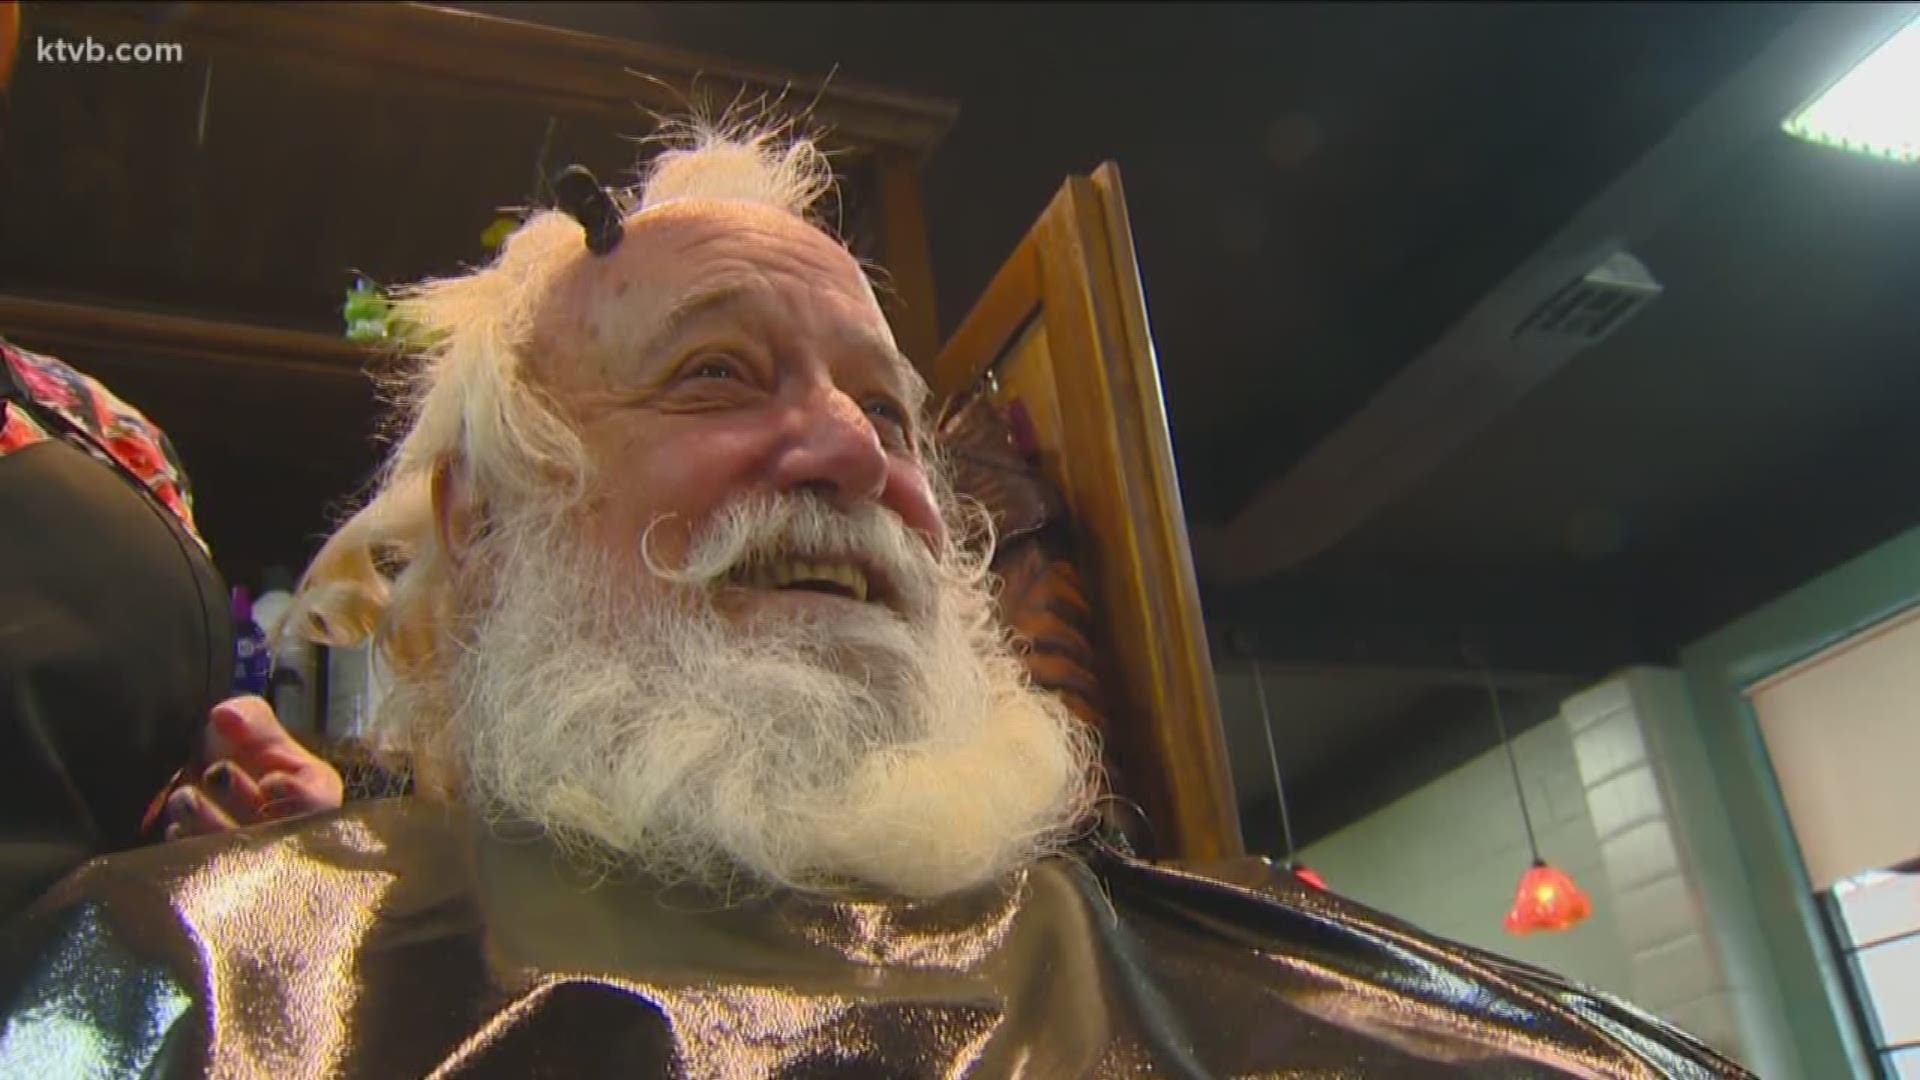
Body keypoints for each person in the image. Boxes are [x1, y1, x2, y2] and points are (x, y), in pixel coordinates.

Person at [0, 121, 1751, 1078]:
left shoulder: (1317, 1000)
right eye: (712, 376)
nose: (856, 457)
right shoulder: (201, 985)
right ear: (485, 527)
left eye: (891, 410)